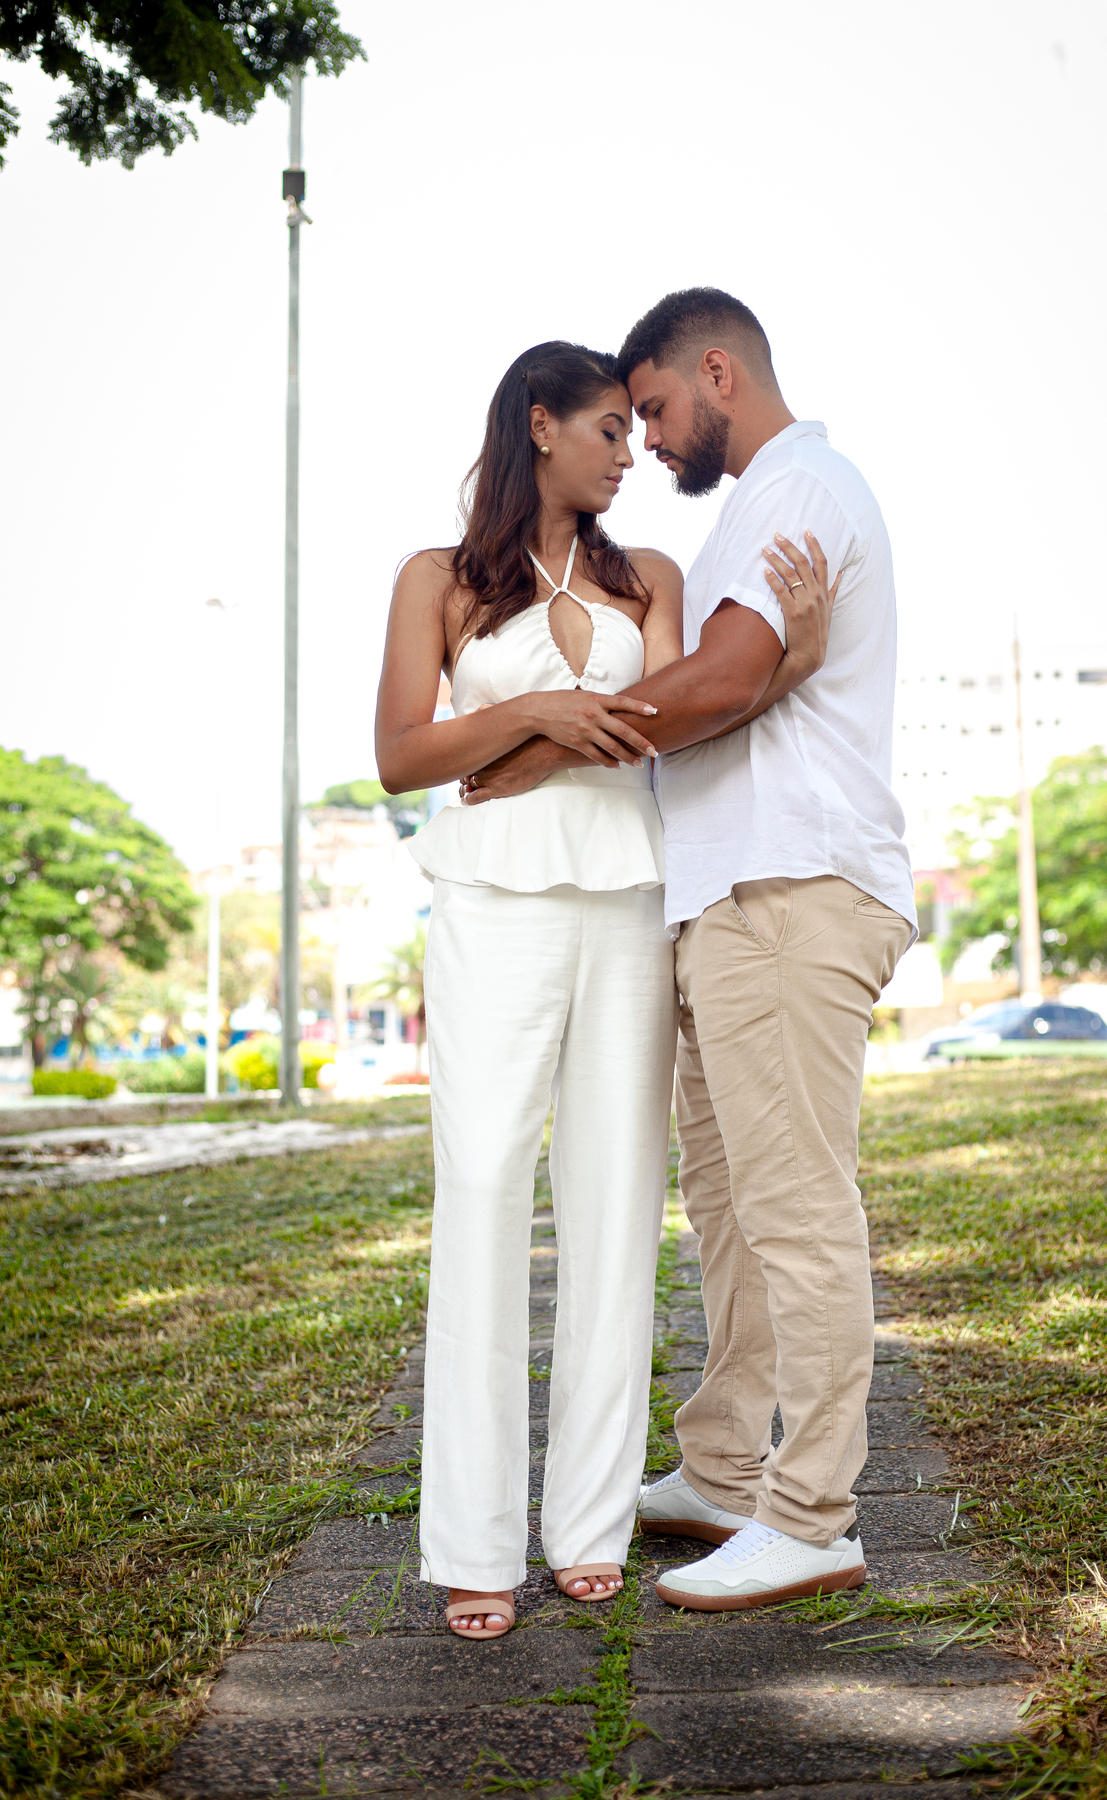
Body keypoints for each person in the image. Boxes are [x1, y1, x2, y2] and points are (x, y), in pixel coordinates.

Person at [374, 338, 836, 1640]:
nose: (632, 455)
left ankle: (586, 1522)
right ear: (540, 425)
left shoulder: (654, 581)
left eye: (639, 431)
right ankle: (473, 1543)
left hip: (630, 901)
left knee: (618, 1207)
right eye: (609, 431)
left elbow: (671, 728)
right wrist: (539, 719)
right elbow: (403, 753)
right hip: (489, 906)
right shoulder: (437, 580)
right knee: (481, 1194)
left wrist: (789, 657)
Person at [462, 289, 916, 1611]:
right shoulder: (752, 509)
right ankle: (724, 1472)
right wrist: (764, 672)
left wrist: (533, 750)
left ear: (719, 371)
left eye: (654, 409)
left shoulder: (799, 489)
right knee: (731, 1212)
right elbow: (740, 682)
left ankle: (812, 1513)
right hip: (725, 900)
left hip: (789, 889)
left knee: (796, 1208)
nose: (647, 441)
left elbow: (718, 680)